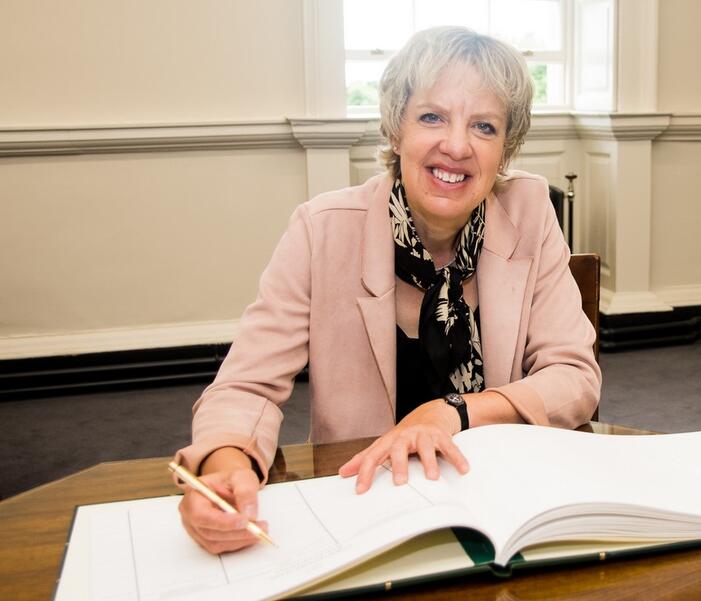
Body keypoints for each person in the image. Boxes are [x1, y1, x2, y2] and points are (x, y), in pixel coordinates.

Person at [175, 26, 600, 554]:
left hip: (502, 505)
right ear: (395, 129)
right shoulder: (321, 229)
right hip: (364, 509)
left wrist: (455, 410)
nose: (457, 145)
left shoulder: (530, 211)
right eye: (431, 117)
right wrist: (226, 465)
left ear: (504, 149)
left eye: (484, 126)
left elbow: (575, 377)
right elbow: (245, 387)